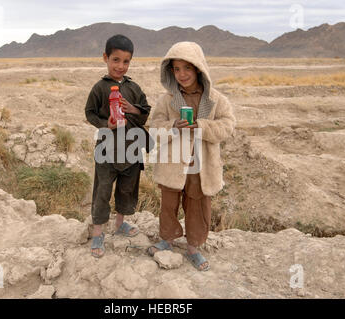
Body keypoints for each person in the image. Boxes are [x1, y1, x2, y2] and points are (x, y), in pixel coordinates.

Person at [147, 41, 236, 271]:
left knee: (198, 205)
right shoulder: (166, 100)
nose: (182, 74)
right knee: (168, 204)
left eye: (187, 68)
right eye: (176, 69)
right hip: (172, 164)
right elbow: (154, 128)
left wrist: (202, 127)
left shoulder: (216, 99)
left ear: (198, 68)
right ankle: (167, 239)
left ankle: (194, 246)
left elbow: (227, 126)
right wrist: (172, 126)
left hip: (201, 166)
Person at [85, 34, 151, 258]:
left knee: (126, 189)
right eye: (115, 60)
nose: (120, 66)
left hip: (132, 149)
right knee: (102, 191)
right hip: (107, 149)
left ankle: (120, 223)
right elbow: (89, 113)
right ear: (105, 58)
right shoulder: (99, 88)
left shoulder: (134, 88)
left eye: (126, 61)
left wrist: (133, 109)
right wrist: (107, 124)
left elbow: (144, 113)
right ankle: (97, 232)